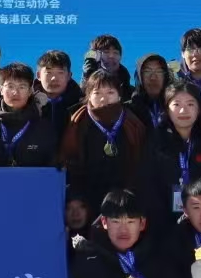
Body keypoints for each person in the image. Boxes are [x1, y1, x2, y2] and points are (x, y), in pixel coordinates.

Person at [139, 82, 201, 227]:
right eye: (176, 105)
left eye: (190, 104)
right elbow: (148, 185)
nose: (183, 111)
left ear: (199, 109)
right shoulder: (155, 141)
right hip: (163, 221)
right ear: (167, 109)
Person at [60, 69, 147, 203]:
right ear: (88, 96)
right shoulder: (76, 123)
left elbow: (141, 165)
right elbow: (69, 165)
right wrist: (77, 200)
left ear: (119, 95)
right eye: (97, 93)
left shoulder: (133, 122)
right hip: (86, 200)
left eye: (110, 92)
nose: (103, 98)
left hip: (125, 200)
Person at [0, 62, 58, 167]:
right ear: (1, 90)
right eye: (10, 86)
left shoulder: (44, 128)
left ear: (30, 91)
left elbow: (52, 165)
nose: (15, 92)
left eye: (22, 87)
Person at [36, 49, 81, 140]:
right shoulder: (27, 103)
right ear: (38, 75)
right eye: (49, 72)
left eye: (60, 73)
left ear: (69, 76)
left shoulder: (81, 104)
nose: (54, 78)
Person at [81, 34, 133, 101]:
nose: (111, 56)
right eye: (106, 52)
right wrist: (88, 74)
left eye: (115, 52)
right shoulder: (79, 93)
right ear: (96, 56)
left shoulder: (132, 95)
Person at [127, 54, 171, 131]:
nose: (153, 77)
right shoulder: (128, 111)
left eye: (159, 71)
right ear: (139, 76)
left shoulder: (176, 107)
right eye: (147, 71)